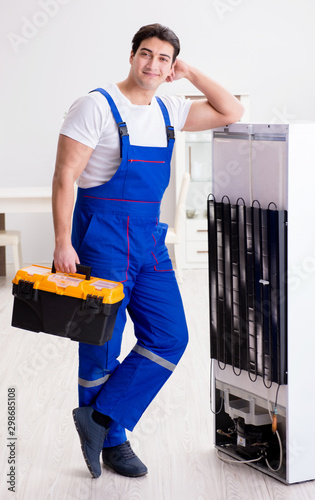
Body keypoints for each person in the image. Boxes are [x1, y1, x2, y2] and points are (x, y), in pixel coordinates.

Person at [52, 23, 244, 479]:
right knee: (102, 343)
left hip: (148, 238)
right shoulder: (95, 105)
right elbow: (63, 178)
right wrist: (62, 242)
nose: (152, 64)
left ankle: (100, 418)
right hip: (102, 236)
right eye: (145, 54)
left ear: (171, 64)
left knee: (170, 336)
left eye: (163, 58)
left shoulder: (170, 108)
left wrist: (191, 72)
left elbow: (232, 110)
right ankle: (114, 442)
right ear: (132, 55)